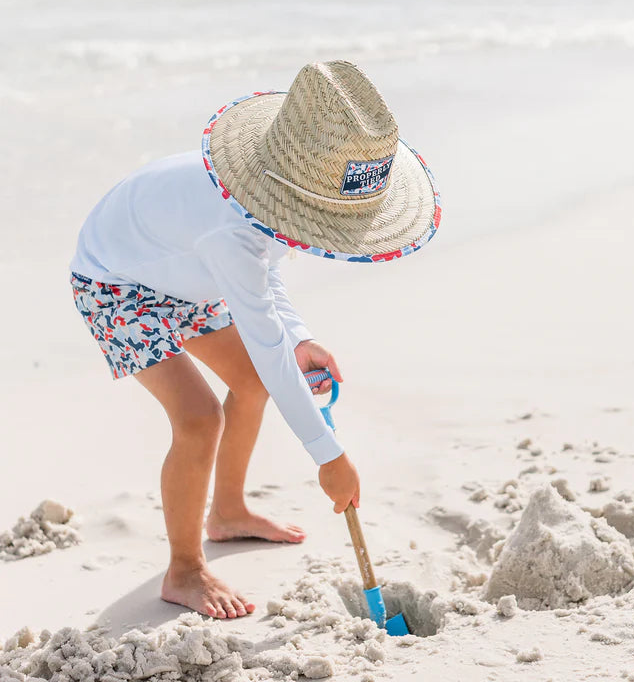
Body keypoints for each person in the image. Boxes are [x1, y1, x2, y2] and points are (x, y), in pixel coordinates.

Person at [69, 60, 441, 619]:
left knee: (248, 383)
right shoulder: (231, 230)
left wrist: (301, 337)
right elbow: (260, 320)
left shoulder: (268, 203)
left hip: (186, 268)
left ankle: (229, 512)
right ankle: (184, 569)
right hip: (117, 280)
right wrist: (329, 456)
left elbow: (265, 277)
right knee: (198, 419)